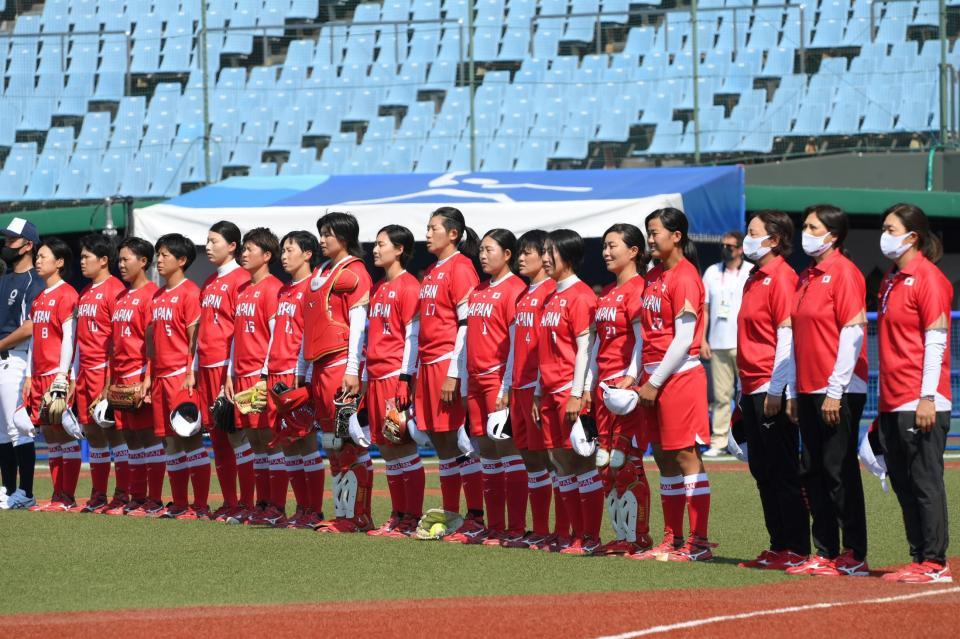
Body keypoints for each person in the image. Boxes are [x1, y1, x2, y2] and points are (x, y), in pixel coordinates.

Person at [786, 204, 869, 577]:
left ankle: (854, 553)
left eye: (812, 226)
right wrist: (792, 391)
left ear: (832, 235)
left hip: (838, 388)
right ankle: (825, 550)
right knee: (813, 470)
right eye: (804, 225)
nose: (805, 231)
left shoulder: (844, 273)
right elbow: (796, 338)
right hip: (808, 387)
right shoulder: (806, 276)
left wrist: (835, 390)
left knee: (839, 471)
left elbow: (852, 332)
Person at [629, 208, 714, 562]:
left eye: (655, 232)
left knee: (685, 455)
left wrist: (654, 382)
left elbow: (682, 340)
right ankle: (672, 538)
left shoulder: (685, 276)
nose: (650, 238)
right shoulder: (654, 276)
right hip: (654, 378)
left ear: (676, 235)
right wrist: (636, 377)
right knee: (663, 457)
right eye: (648, 232)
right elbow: (645, 335)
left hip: (679, 377)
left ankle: (698, 542)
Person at [875, 204, 954, 584]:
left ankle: (935, 561)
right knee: (906, 486)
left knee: (925, 482)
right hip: (892, 400)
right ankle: (918, 556)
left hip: (920, 399)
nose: (884, 235)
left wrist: (928, 397)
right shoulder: (892, 278)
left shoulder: (928, 278)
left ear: (913, 236)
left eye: (891, 228)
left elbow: (936, 341)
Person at [735, 211, 810, 570]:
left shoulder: (781, 276)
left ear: (774, 239)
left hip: (769, 384)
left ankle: (796, 546)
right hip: (750, 385)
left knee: (781, 470)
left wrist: (779, 390)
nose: (746, 238)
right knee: (762, 470)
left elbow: (786, 334)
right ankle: (778, 544)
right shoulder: (754, 277)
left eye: (753, 232)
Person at [415, 207, 484, 542]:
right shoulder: (431, 270)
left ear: (453, 233)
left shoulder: (461, 268)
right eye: (426, 228)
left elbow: (466, 324)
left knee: (458, 438)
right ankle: (451, 514)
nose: (427, 234)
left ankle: (476, 515)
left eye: (433, 228)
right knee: (441, 442)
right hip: (427, 364)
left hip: (446, 361)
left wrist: (454, 373)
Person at [303, 212, 373, 533]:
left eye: (328, 233)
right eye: (321, 233)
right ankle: (343, 514)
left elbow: (358, 326)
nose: (322, 239)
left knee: (348, 442)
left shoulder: (353, 272)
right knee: (331, 443)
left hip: (339, 369)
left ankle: (357, 517)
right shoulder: (321, 272)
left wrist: (353, 369)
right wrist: (305, 373)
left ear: (344, 237)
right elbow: (310, 326)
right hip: (319, 369)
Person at [535, 229, 602, 555]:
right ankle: (573, 535)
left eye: (552, 252)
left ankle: (589, 537)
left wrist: (578, 393)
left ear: (569, 256)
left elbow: (586, 350)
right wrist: (537, 390)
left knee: (580, 462)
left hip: (567, 390)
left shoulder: (581, 296)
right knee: (560, 462)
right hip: (548, 391)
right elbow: (543, 349)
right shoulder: (550, 297)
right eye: (544, 251)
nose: (546, 258)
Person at [586, 223, 652, 555]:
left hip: (625, 391)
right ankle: (621, 535)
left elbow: (642, 340)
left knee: (625, 462)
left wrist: (631, 376)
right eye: (604, 246)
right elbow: (599, 347)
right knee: (605, 465)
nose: (606, 252)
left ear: (634, 251)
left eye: (613, 246)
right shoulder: (608, 294)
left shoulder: (640, 289)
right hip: (602, 390)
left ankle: (639, 537)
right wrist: (588, 387)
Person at [464, 229, 527, 546]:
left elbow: (515, 346)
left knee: (508, 453)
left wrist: (506, 387)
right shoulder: (478, 290)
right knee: (486, 455)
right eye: (482, 249)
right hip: (475, 381)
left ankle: (515, 528)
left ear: (508, 254)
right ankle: (495, 526)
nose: (483, 254)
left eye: (490, 250)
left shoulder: (515, 289)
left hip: (498, 380)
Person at [500, 230, 561, 551]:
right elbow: (514, 346)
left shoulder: (551, 292)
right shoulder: (523, 295)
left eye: (528, 252)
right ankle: (538, 529)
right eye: (520, 253)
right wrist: (507, 385)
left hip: (542, 388)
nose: (521, 258)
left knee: (553, 459)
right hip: (519, 388)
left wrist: (539, 387)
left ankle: (561, 530)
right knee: (530, 459)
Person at [363, 225, 425, 538]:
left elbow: (412, 337)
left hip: (392, 377)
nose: (375, 249)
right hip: (374, 377)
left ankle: (411, 517)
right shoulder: (376, 288)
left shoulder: (409, 286)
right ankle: (398, 515)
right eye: (375, 244)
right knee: (387, 448)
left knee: (402, 446)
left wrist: (404, 378)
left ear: (399, 249)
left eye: (381, 244)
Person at [224, 228, 284, 526]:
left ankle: (277, 506)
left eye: (250, 249)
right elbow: (235, 336)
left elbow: (275, 337)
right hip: (242, 375)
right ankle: (262, 504)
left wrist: (264, 374)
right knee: (255, 440)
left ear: (267, 255)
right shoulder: (242, 290)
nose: (243, 254)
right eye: (243, 249)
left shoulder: (274, 288)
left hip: (263, 376)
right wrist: (230, 372)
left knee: (271, 439)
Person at [267, 230, 323, 529]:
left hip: (297, 374)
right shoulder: (284, 290)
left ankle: (314, 510)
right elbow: (277, 334)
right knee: (287, 444)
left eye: (290, 250)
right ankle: (301, 509)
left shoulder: (313, 288)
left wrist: (306, 381)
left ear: (308, 253)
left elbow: (311, 338)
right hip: (276, 374)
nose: (284, 256)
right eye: (283, 250)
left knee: (306, 442)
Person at [105, 237, 165, 517]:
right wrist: (110, 383)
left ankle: (153, 499)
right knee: (129, 437)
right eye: (119, 259)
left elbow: (153, 344)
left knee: (147, 437)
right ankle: (137, 496)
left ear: (143, 261)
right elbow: (115, 345)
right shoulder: (121, 297)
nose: (121, 264)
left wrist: (147, 379)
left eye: (126, 259)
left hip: (140, 375)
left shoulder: (152, 295)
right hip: (120, 378)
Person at [197, 221, 252, 522]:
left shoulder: (241, 280)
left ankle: (247, 502)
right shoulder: (209, 282)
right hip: (206, 366)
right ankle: (231, 502)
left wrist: (230, 371)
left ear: (232, 246)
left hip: (226, 367)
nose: (208, 246)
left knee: (237, 434)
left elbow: (238, 330)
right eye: (207, 241)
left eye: (214, 241)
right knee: (217, 436)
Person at [149, 233, 206, 519]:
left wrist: (189, 373)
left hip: (180, 377)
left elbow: (194, 340)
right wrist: (149, 376)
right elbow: (152, 343)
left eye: (165, 255)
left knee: (190, 439)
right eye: (158, 254)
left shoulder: (190, 292)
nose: (159, 260)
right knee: (169, 441)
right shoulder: (157, 296)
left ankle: (200, 505)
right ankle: (181, 502)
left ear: (182, 260)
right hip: (159, 377)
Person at [72, 234, 128, 513]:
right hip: (84, 372)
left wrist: (109, 382)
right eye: (81, 257)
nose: (82, 262)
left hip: (105, 373)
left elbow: (117, 341)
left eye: (87, 257)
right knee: (93, 434)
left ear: (104, 260)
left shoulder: (115, 290)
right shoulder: (84, 293)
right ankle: (98, 494)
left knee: (115, 434)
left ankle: (123, 493)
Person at [24, 238, 80, 511]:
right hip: (39, 374)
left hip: (56, 374)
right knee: (50, 435)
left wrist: (63, 374)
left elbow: (70, 338)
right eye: (37, 256)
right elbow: (35, 339)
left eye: (43, 256)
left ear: (59, 262)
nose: (38, 260)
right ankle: (57, 495)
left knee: (64, 434)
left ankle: (67, 496)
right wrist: (28, 374)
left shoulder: (67, 294)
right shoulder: (39, 298)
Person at [0, 218, 43, 510]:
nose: (6, 245)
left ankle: (26, 491)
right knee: (2, 430)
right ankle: (9, 489)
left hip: (17, 357)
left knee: (18, 428)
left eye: (12, 240)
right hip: (3, 355)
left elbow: (29, 327)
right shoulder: (4, 278)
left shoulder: (34, 281)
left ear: (28, 245)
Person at [701, 230, 750, 457]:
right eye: (723, 245)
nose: (725, 249)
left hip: (744, 343)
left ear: (740, 249)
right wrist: (702, 339)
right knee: (721, 397)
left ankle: (747, 437)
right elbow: (706, 310)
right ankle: (719, 441)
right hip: (719, 343)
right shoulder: (712, 272)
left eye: (730, 246)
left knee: (746, 395)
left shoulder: (750, 270)